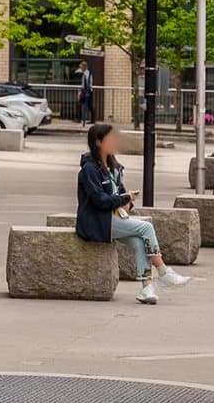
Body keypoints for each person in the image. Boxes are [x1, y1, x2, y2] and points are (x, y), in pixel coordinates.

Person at [74, 122, 190, 304]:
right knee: (146, 228)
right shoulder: (89, 169)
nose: (115, 141)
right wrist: (124, 198)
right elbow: (100, 201)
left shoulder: (114, 167)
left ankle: (146, 288)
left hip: (115, 217)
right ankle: (163, 272)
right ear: (98, 142)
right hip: (97, 221)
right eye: (111, 138)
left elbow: (120, 193)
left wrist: (127, 201)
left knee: (139, 242)